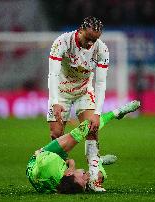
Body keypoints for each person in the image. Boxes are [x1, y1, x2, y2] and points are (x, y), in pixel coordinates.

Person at [47, 16, 116, 190]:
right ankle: (62, 175)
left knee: (92, 129)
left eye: (95, 40)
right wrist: (55, 101)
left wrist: (98, 113)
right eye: (88, 38)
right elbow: (53, 75)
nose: (90, 43)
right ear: (80, 30)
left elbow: (100, 83)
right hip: (61, 92)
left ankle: (93, 179)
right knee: (56, 134)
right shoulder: (62, 42)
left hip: (84, 91)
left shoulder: (102, 49)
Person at [27, 100, 140, 193]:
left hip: (42, 157)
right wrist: (77, 170)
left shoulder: (49, 164)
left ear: (69, 173)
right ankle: (98, 161)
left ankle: (117, 112)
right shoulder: (65, 187)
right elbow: (70, 165)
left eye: (83, 178)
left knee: (83, 129)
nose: (86, 178)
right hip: (56, 171)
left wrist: (70, 164)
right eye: (85, 184)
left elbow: (60, 159)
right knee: (97, 178)